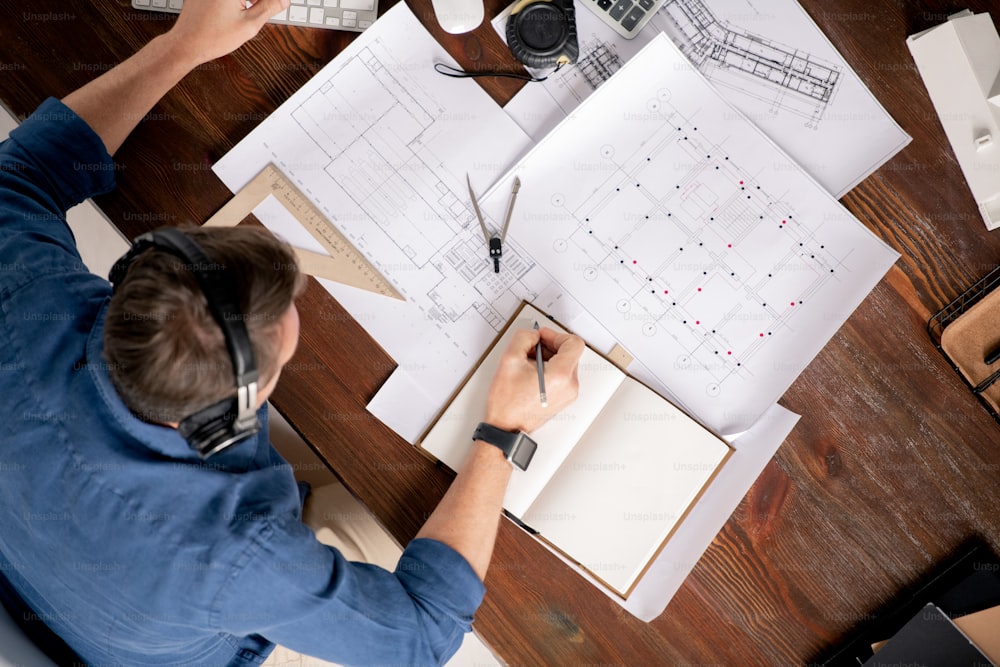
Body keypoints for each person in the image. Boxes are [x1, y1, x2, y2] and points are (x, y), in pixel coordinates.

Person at [0, 0, 585, 665]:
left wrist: (183, 45)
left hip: (38, 557)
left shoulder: (21, 293)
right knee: (428, 511)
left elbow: (20, 173)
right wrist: (505, 430)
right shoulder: (240, 556)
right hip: (145, 627)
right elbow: (421, 635)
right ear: (243, 406)